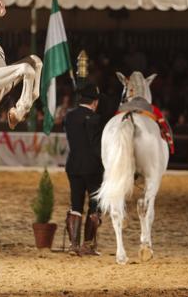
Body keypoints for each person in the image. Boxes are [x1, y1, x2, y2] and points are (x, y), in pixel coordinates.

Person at [63, 83, 103, 256]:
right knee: (94, 205)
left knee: (76, 204)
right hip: (93, 168)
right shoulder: (96, 119)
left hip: (73, 165)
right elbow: (97, 146)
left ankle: (73, 245)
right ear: (94, 102)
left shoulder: (69, 117)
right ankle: (87, 245)